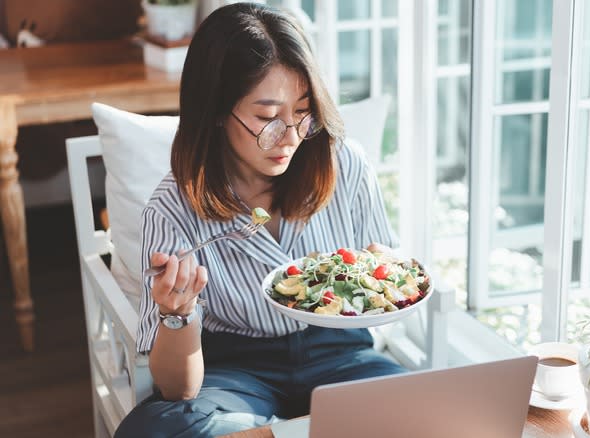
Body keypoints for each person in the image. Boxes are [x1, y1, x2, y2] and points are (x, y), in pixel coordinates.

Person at [114, 3, 405, 437]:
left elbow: (385, 272)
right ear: (215, 109)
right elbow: (178, 389)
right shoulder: (171, 209)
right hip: (233, 371)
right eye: (267, 118)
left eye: (303, 112)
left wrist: (385, 278)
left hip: (343, 354)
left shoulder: (346, 165)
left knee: (425, 409)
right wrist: (177, 314)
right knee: (158, 430)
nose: (289, 137)